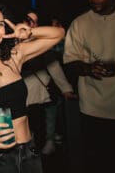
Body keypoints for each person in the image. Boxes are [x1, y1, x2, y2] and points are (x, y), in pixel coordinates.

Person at [0, 2, 65, 173]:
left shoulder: (13, 57)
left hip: (29, 151)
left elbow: (59, 34)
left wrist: (29, 31)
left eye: (0, 24)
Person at [63, 0, 115, 173]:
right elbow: (70, 61)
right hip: (93, 108)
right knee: (97, 162)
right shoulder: (80, 23)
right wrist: (88, 68)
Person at [22, 11, 76, 155]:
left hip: (43, 87)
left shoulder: (41, 43)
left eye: (35, 21)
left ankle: (50, 140)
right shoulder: (11, 42)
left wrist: (65, 88)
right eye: (28, 20)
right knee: (26, 119)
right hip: (24, 89)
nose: (32, 24)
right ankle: (31, 142)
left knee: (49, 114)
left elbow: (53, 66)